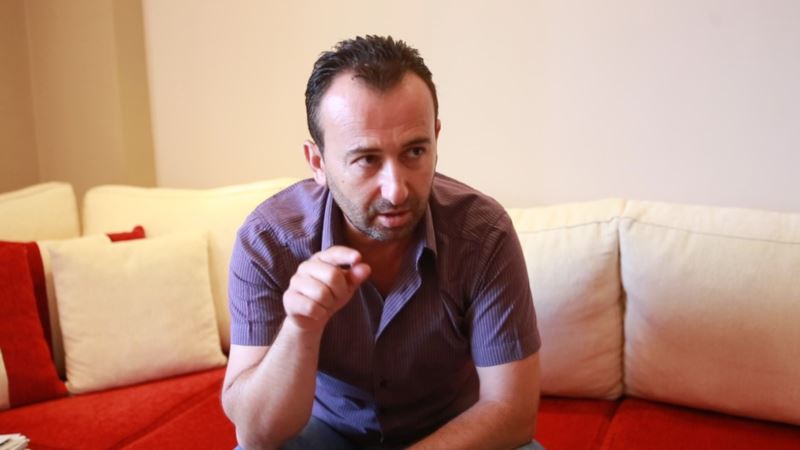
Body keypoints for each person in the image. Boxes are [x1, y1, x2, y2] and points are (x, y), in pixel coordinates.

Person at [222, 35, 543, 450]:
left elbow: (511, 411)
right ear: (317, 162)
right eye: (367, 159)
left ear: (436, 138)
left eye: (414, 151)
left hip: (449, 436)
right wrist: (301, 327)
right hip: (323, 433)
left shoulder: (483, 233)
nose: (396, 190)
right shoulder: (268, 241)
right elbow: (256, 434)